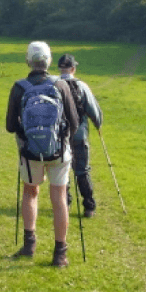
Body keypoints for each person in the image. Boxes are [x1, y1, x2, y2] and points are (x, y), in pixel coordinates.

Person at [6, 41, 79, 267]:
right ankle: (60, 254)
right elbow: (74, 122)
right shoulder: (61, 85)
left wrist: (28, 138)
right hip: (59, 151)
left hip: (29, 152)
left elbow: (10, 125)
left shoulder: (19, 87)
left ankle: (29, 245)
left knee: (31, 193)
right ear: (48, 61)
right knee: (59, 198)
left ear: (28, 61)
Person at [57, 54, 104, 218]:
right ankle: (89, 206)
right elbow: (94, 110)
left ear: (59, 68)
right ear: (73, 68)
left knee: (63, 172)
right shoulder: (81, 85)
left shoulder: (54, 84)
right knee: (82, 170)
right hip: (79, 135)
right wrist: (98, 124)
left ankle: (66, 204)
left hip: (60, 136)